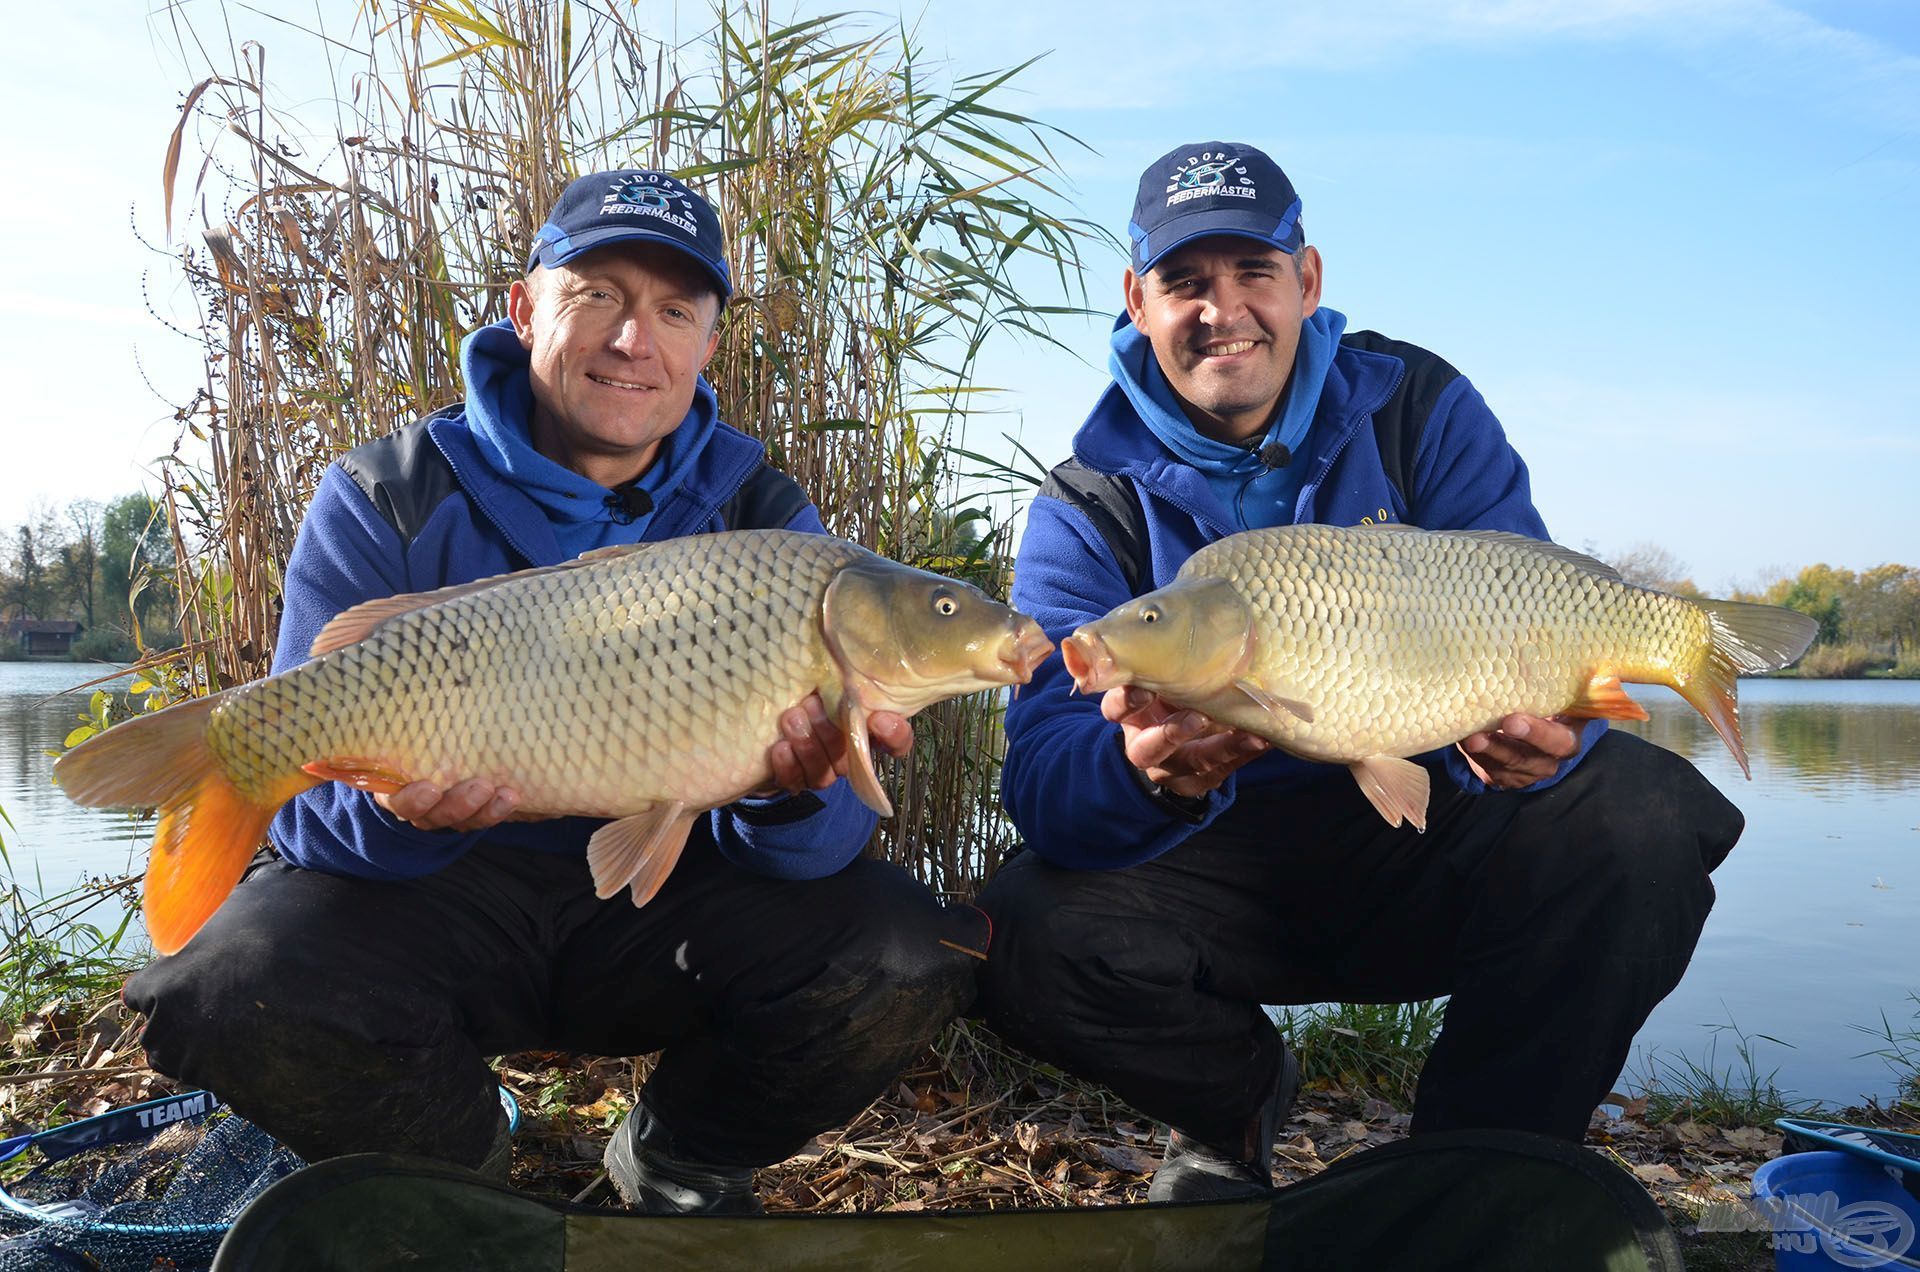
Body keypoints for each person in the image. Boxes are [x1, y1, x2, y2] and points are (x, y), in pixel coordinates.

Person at [123, 169, 986, 1214]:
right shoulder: (384, 494)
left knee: (905, 940)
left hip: (655, 919)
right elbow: (316, 837)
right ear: (527, 309)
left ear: (708, 342)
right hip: (442, 904)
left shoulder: (766, 520)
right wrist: (403, 814)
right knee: (219, 985)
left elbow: (815, 856)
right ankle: (453, 1163)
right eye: (600, 297)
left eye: (675, 311)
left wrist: (789, 788)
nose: (636, 340)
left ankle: (680, 1159)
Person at [975, 142, 1744, 1201]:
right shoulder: (1086, 498)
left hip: (1418, 835)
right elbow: (1045, 777)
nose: (1222, 310)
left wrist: (1544, 755)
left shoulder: (1416, 407)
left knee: (1638, 815)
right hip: (1210, 865)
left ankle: (1474, 1169)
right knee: (1014, 928)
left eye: (1254, 273)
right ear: (1137, 301)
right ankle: (1230, 1104)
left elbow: (1534, 617)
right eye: (1185, 282)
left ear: (1309, 280)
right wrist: (1149, 776)